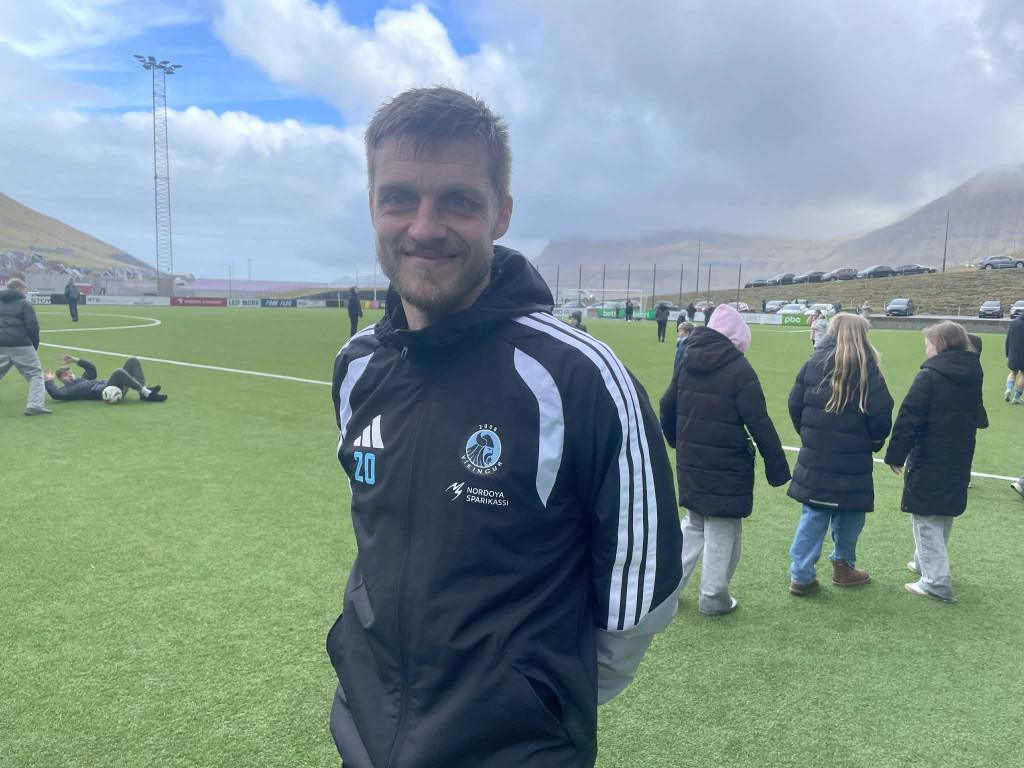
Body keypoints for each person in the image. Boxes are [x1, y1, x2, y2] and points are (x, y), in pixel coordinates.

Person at [328, 86, 682, 768]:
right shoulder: (357, 367)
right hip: (366, 734)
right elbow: (375, 535)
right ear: (372, 206)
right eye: (399, 198)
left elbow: (642, 596)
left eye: (458, 201)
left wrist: (531, 702)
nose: (424, 227)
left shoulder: (581, 378)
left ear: (501, 214)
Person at [659, 303, 790, 616]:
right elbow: (759, 422)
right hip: (727, 467)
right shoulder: (740, 369)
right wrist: (777, 468)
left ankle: (666, 592)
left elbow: (666, 404)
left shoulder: (687, 360)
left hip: (691, 461)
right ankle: (713, 598)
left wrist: (677, 441)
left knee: (693, 525)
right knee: (722, 530)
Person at [786, 313, 894, 595]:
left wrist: (809, 434)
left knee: (814, 512)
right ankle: (843, 568)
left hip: (816, 454)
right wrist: (875, 441)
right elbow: (882, 415)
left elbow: (794, 404)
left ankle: (801, 575)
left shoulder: (813, 363)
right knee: (851, 510)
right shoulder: (868, 369)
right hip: (853, 457)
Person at [884, 322, 987, 602]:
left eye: (929, 344)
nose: (926, 349)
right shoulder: (973, 371)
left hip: (930, 453)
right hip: (959, 451)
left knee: (925, 514)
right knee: (941, 511)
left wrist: (895, 454)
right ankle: (925, 564)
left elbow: (909, 416)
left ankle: (936, 582)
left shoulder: (929, 375)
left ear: (940, 345)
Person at [0, 278, 50, 415]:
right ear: (18, 289)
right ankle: (35, 405)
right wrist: (34, 345)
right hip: (21, 344)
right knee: (35, 374)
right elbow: (33, 328)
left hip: (1, 344)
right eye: (25, 290)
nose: (26, 293)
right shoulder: (25, 305)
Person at [45, 353, 167, 402]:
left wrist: (75, 360)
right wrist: (49, 381)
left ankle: (143, 393)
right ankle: (148, 394)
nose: (70, 376)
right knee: (118, 372)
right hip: (107, 391)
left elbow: (92, 370)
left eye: (70, 373)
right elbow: (56, 394)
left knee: (133, 360)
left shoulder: (82, 379)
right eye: (66, 375)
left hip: (114, 387)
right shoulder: (68, 389)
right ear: (60, 380)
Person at [1004, 310, 1024, 404]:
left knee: (1013, 372)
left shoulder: (1014, 322)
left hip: (1013, 352)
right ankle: (1017, 397)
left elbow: (1008, 339)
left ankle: (1008, 389)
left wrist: (1007, 353)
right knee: (1023, 374)